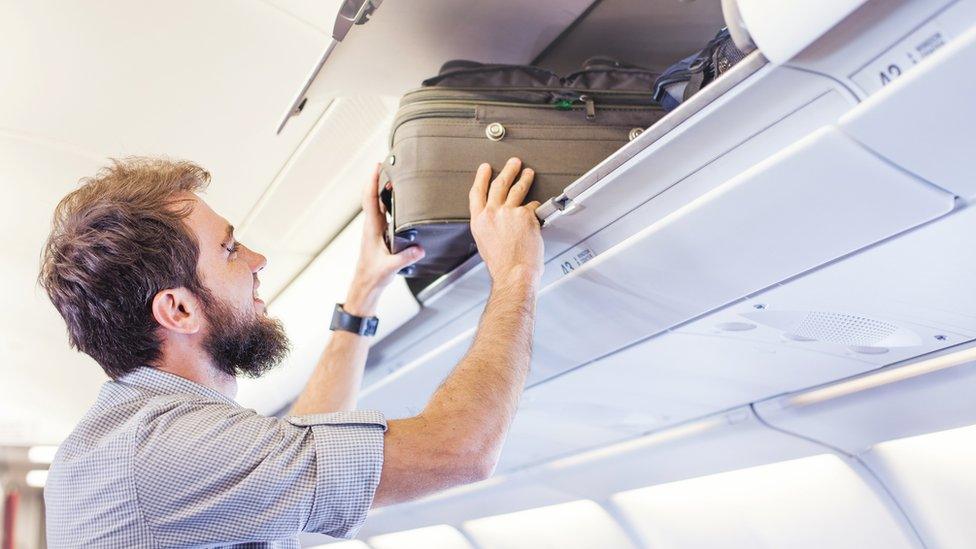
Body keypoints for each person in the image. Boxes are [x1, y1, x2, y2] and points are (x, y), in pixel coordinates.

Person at [39, 156, 543, 548]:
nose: (259, 260)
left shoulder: (135, 435)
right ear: (178, 310)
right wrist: (517, 274)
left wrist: (363, 295)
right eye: (230, 250)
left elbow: (302, 439)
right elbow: (458, 450)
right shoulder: (165, 448)